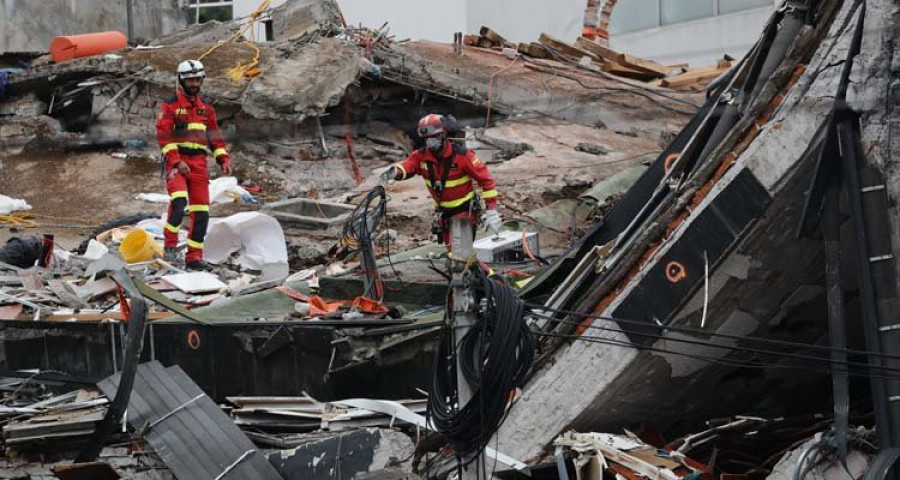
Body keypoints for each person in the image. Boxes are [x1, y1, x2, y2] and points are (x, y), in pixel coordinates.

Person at [380, 114, 502, 248]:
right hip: (444, 215)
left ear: (444, 134)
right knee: (452, 253)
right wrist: (394, 172)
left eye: (434, 137)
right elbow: (407, 166)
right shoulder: (421, 156)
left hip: (463, 212)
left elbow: (486, 181)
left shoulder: (463, 156)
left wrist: (491, 210)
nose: (430, 141)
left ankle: (470, 266)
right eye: (426, 138)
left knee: (460, 255)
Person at [156, 59, 231, 271]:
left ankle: (194, 258)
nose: (194, 83)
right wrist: (177, 161)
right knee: (179, 202)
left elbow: (215, 138)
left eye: (197, 79)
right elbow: (164, 137)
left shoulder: (206, 109)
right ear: (181, 81)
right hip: (176, 162)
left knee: (201, 213)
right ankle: (170, 248)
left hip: (198, 164)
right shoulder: (170, 106)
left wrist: (223, 158)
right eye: (190, 80)